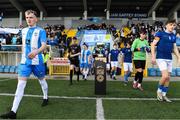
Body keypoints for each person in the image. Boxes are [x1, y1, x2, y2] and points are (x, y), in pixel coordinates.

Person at [0, 10, 49, 119]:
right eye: (27, 17)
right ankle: (13, 112)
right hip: (25, 63)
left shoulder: (41, 31)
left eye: (31, 17)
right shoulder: (23, 30)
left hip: (37, 62)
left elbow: (44, 45)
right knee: (20, 85)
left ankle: (45, 97)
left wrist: (35, 52)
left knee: (42, 81)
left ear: (36, 19)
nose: (29, 19)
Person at [151, 19, 180, 102]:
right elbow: (153, 44)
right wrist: (153, 56)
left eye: (174, 25)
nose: (172, 26)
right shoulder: (160, 33)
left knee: (168, 78)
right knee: (165, 76)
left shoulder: (174, 35)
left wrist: (179, 57)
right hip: (161, 57)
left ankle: (164, 95)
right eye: (171, 24)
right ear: (166, 25)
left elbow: (174, 48)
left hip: (169, 58)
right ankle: (159, 91)